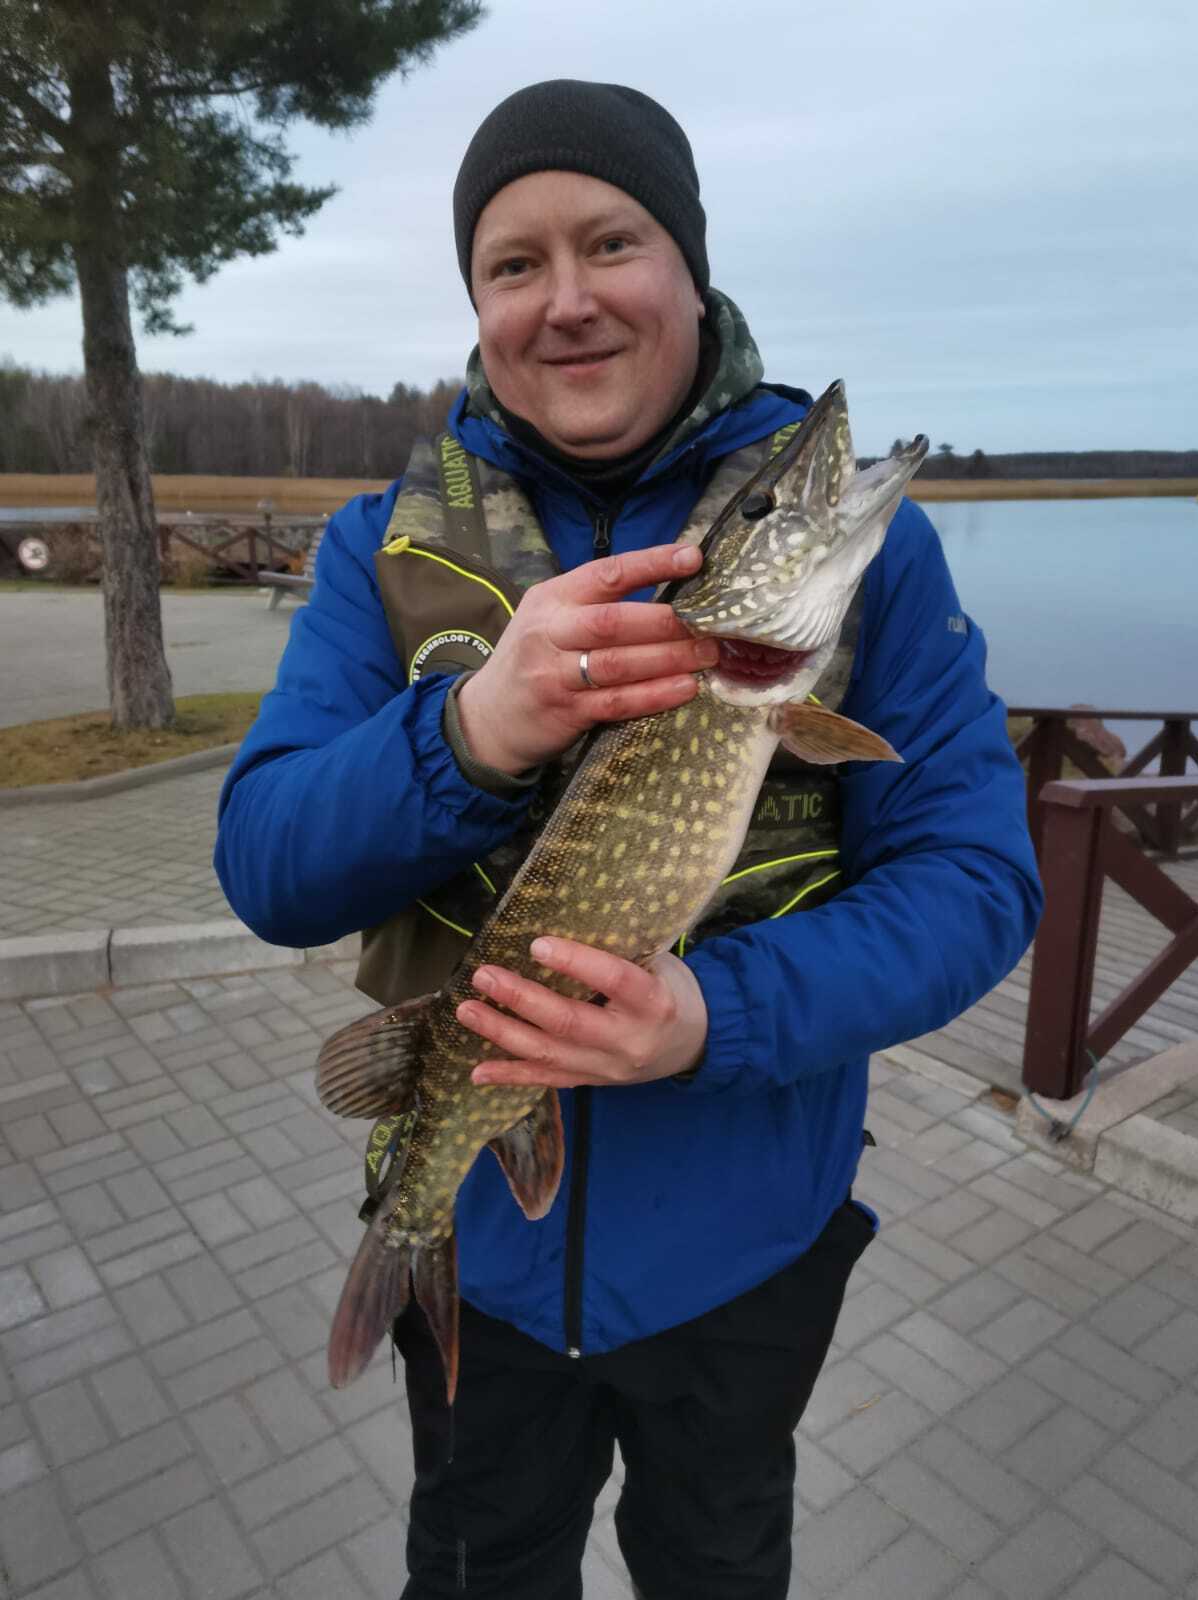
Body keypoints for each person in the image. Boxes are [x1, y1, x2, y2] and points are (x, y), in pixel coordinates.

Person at [215, 79, 1041, 1600]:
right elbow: (263, 867)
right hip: (484, 1255)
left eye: (613, 242)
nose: (569, 300)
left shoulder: (872, 572)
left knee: (719, 1567)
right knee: (478, 1574)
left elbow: (981, 885)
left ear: (691, 265)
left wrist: (716, 1020)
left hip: (749, 1255)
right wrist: (470, 731)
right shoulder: (381, 545)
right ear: (477, 301)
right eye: (514, 263)